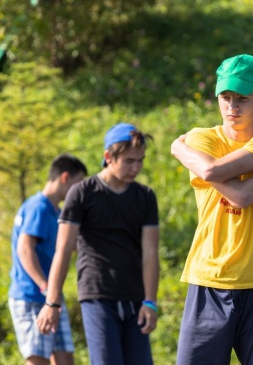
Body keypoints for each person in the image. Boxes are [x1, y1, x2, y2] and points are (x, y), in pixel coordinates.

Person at [170, 53, 253, 365]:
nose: (233, 106)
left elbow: (224, 181)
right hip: (209, 278)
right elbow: (228, 185)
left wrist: (182, 151)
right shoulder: (201, 138)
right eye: (226, 97)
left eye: (243, 98)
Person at [36, 123, 160, 365]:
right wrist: (52, 302)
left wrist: (150, 301)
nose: (136, 168)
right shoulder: (82, 193)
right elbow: (62, 250)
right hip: (97, 296)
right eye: (129, 161)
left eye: (140, 161)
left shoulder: (145, 197)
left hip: (136, 298)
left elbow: (150, 252)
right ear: (108, 157)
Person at [8, 154, 88, 365]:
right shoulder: (39, 207)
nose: (80, 191)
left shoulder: (56, 211)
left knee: (64, 357)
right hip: (32, 296)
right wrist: (45, 287)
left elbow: (71, 246)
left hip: (52, 297)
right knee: (38, 359)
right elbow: (24, 249)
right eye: (78, 183)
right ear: (65, 178)